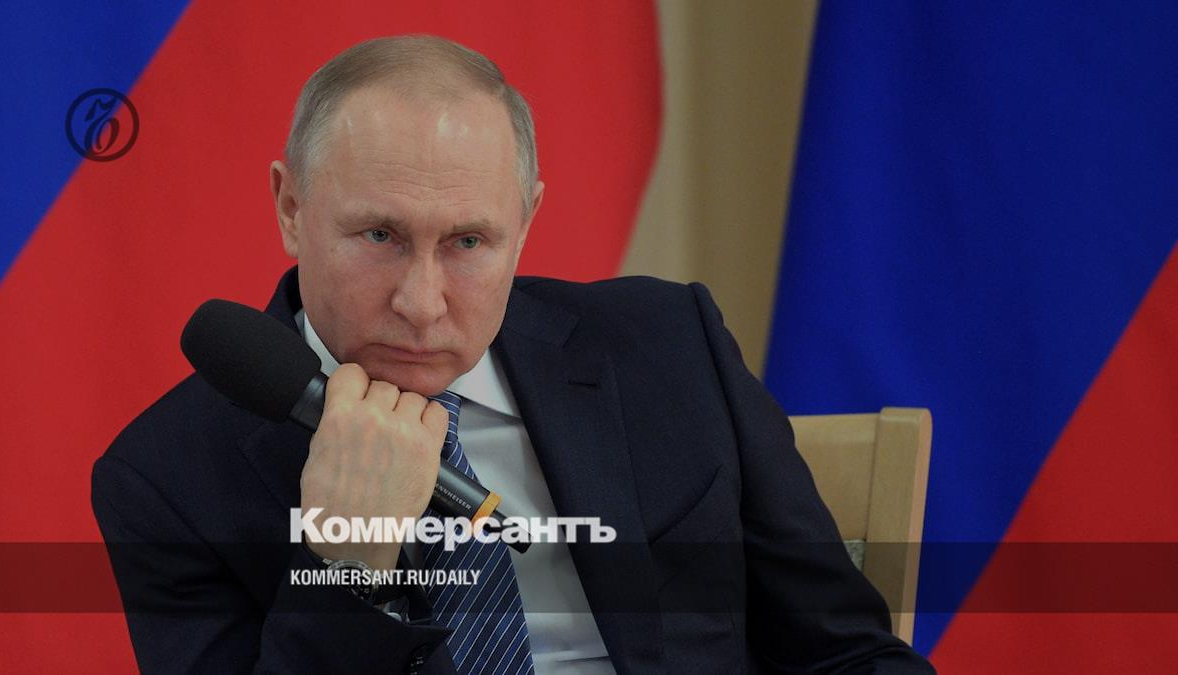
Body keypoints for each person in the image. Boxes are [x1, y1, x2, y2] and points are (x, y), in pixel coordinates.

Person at [92, 35, 935, 674]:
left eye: (468, 242)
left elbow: (847, 652)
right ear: (290, 208)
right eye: (379, 235)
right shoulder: (166, 477)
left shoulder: (670, 344)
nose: (422, 302)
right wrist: (348, 561)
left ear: (525, 222)